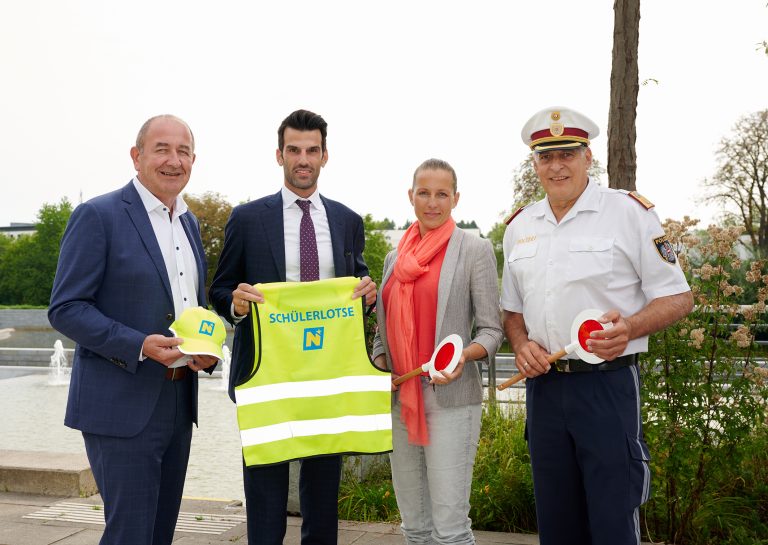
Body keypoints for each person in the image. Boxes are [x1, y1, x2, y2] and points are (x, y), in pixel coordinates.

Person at [501, 106, 694, 545]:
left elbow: (679, 296)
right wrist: (521, 343)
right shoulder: (519, 227)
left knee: (612, 520)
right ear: (535, 164)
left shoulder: (629, 213)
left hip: (607, 388)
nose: (557, 166)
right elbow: (511, 310)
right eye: (546, 157)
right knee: (556, 523)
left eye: (567, 153)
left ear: (588, 157)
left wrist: (631, 326)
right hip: (545, 391)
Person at [209, 109, 377, 545]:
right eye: (294, 150)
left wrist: (367, 295)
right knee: (264, 499)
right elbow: (221, 289)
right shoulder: (247, 219)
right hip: (266, 378)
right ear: (279, 154)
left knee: (322, 501)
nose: (303, 159)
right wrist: (238, 306)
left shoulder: (346, 221)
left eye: (312, 150)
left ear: (325, 156)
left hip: (327, 380)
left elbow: (356, 288)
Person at [48, 114, 218, 545]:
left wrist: (207, 346)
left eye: (183, 151)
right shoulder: (98, 215)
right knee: (130, 535)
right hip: (121, 404)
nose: (173, 160)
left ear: (193, 160)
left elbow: (187, 305)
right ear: (136, 156)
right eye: (162, 148)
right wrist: (138, 344)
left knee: (160, 534)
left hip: (179, 399)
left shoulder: (189, 222)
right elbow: (66, 308)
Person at [372, 158, 504, 545]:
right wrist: (381, 366)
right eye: (424, 193)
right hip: (400, 401)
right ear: (410, 196)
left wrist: (465, 356)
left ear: (456, 198)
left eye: (442, 194)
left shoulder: (474, 249)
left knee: (450, 529)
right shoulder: (393, 259)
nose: (432, 202)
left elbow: (492, 330)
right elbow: (382, 334)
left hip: (451, 400)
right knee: (414, 526)